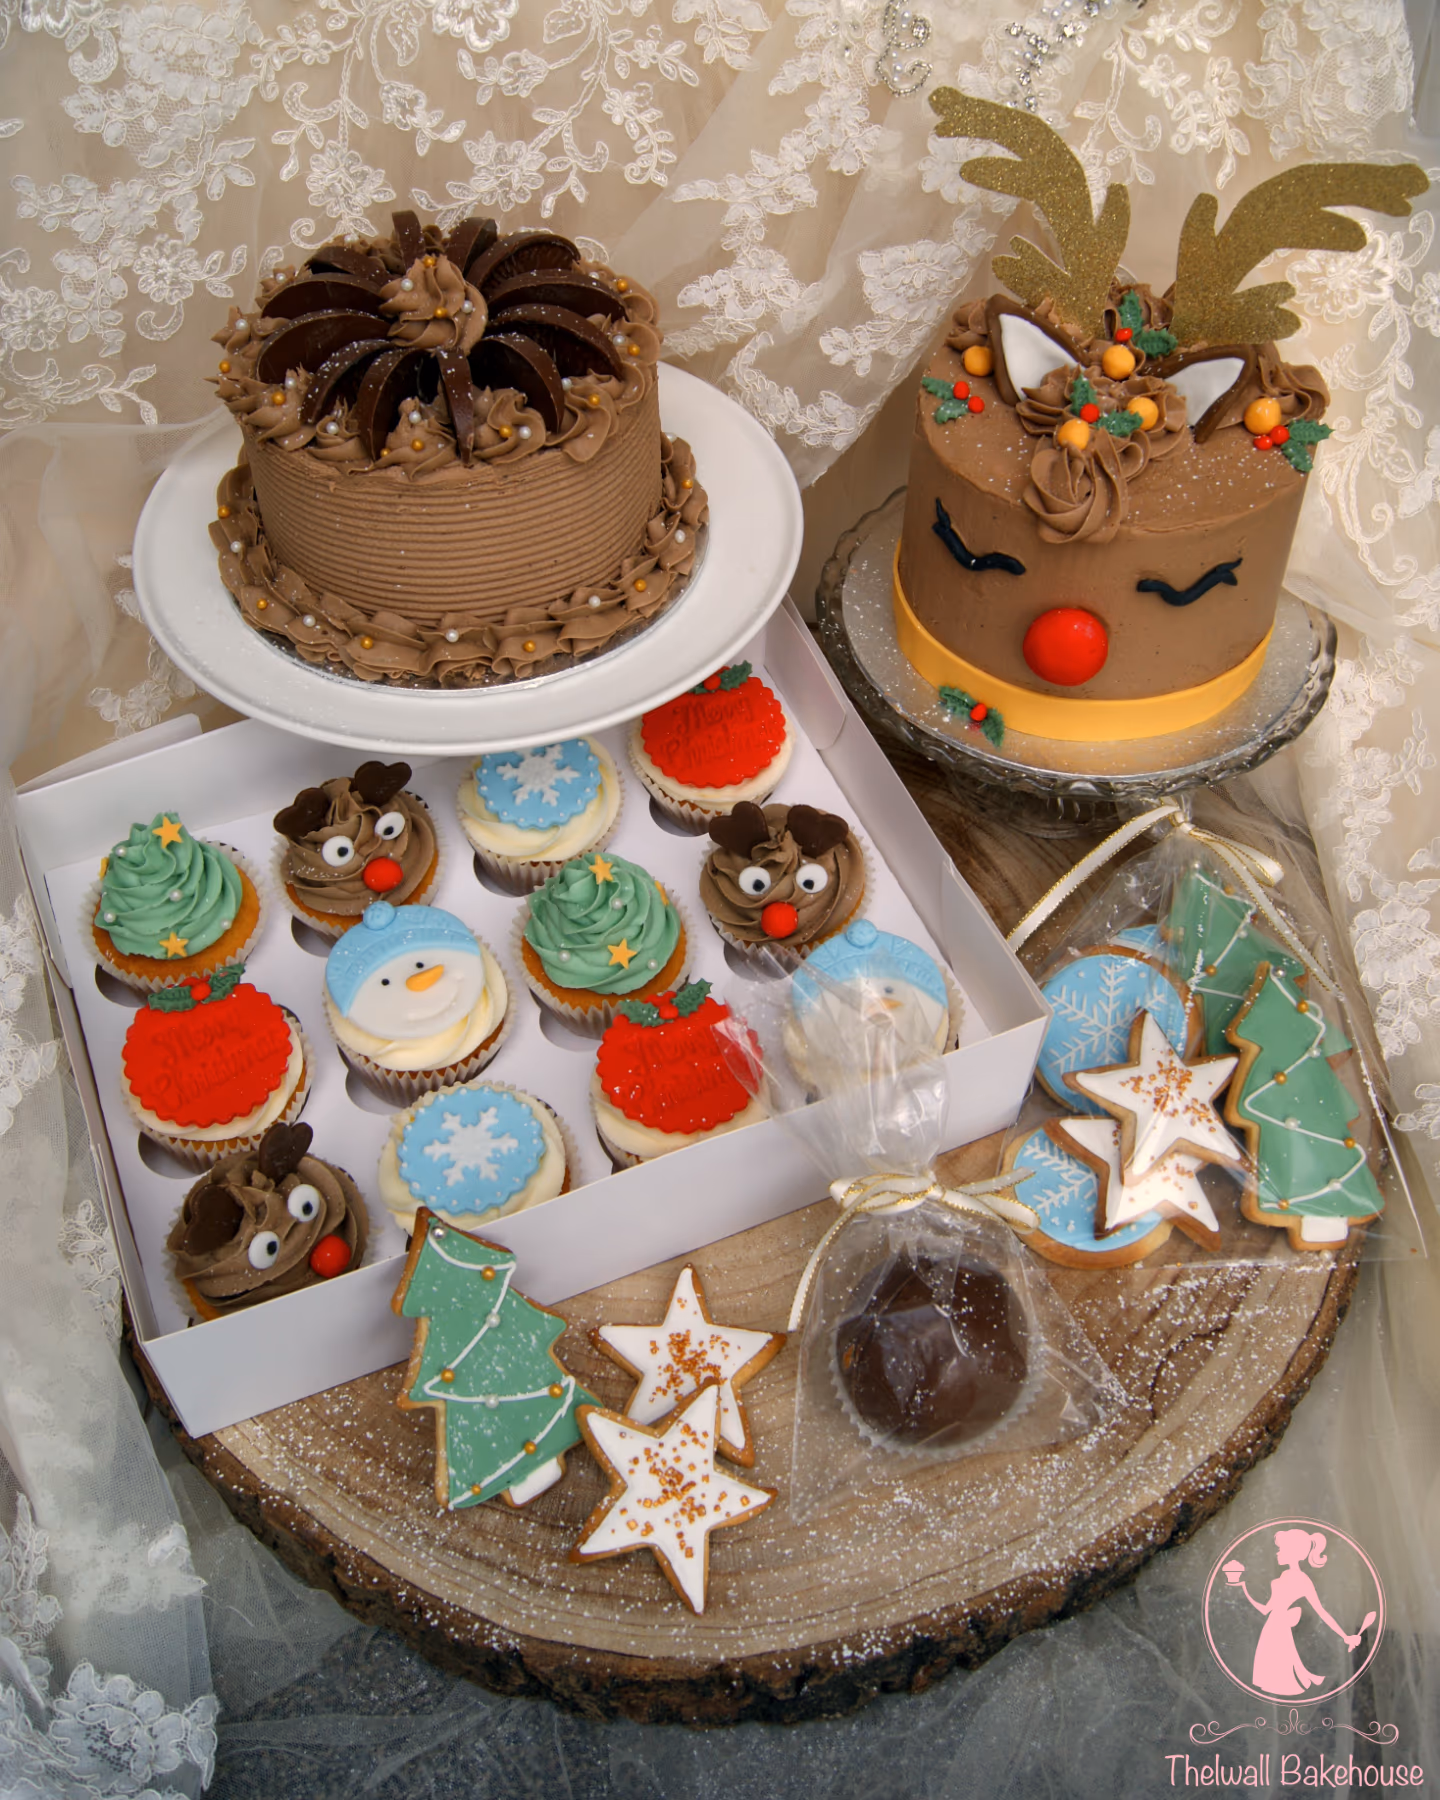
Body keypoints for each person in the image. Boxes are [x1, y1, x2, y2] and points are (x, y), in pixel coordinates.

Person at [1239, 1529, 1364, 1696]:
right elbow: (1266, 1609)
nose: (1277, 1553)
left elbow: (1321, 1611)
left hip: (1279, 1629)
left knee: (1278, 1683)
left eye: (1281, 1549)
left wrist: (1345, 1636)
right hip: (1271, 1629)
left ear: (1292, 1552)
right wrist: (1244, 1589)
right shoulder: (1283, 1576)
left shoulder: (1303, 1581)